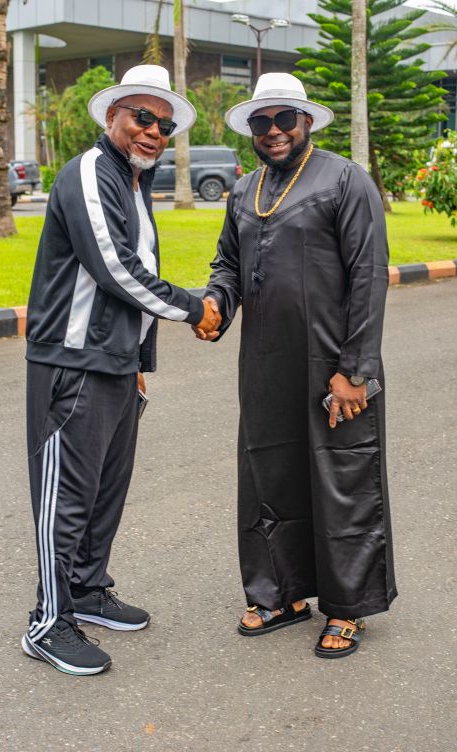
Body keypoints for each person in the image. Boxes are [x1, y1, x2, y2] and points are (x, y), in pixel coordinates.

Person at [22, 64, 221, 676]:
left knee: (105, 492)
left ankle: (86, 589)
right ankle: (48, 622)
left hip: (114, 364)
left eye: (164, 124)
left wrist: (137, 361)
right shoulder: (90, 171)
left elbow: (134, 274)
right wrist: (196, 308)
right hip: (73, 363)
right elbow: (115, 269)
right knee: (67, 498)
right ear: (112, 116)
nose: (154, 131)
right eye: (142, 117)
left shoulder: (134, 181)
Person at [194, 72, 397, 659]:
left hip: (333, 363)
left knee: (342, 479)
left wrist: (355, 370)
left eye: (285, 118)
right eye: (262, 121)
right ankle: (280, 594)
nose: (274, 130)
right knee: (270, 476)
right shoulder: (244, 190)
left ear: (306, 121)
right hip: (264, 364)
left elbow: (369, 275)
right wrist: (215, 303)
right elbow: (228, 264)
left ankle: (348, 607)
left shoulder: (345, 179)